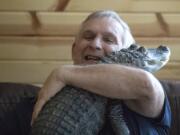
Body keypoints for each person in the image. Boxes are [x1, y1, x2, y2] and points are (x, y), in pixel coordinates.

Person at [31, 10, 171, 134]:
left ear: (128, 50)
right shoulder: (43, 98)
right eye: (88, 37)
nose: (95, 44)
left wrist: (61, 74)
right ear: (74, 50)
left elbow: (144, 83)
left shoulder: (148, 94)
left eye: (109, 40)